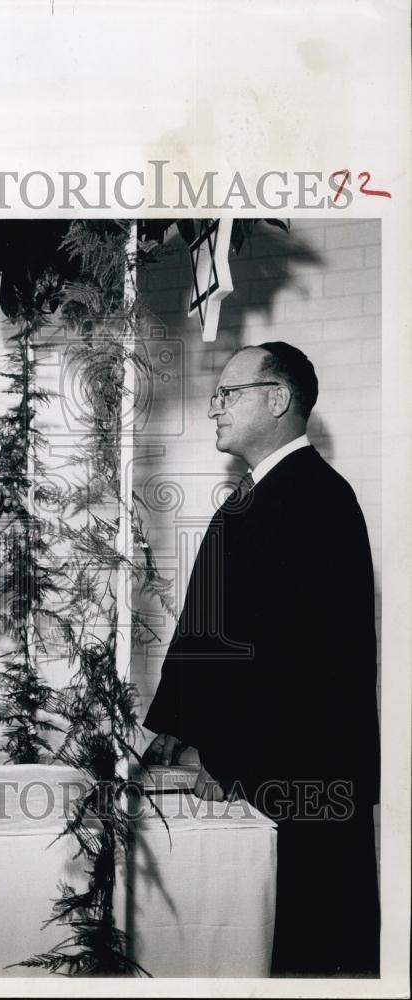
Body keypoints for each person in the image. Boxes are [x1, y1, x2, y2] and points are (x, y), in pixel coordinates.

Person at [143, 342, 380, 977]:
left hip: (304, 775)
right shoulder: (267, 495)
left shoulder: (317, 500)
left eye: (228, 394)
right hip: (274, 765)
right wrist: (177, 731)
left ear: (277, 400)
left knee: (313, 942)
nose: (214, 408)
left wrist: (227, 754)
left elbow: (300, 661)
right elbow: (221, 632)